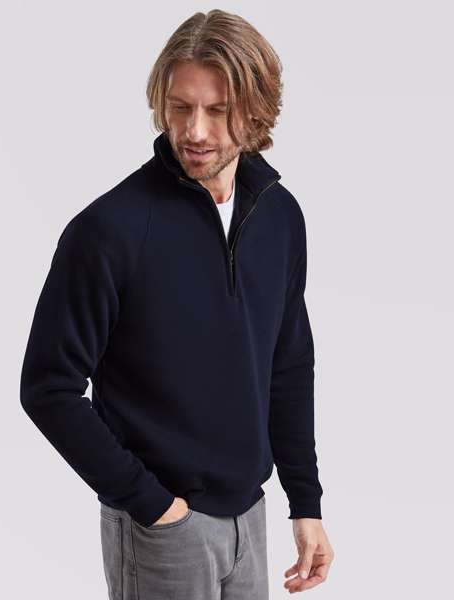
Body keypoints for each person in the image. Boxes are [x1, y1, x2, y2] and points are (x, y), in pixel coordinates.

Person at [20, 8, 334, 599]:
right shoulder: (109, 231)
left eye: (218, 110)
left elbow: (288, 364)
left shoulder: (279, 217)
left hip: (251, 517)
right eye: (180, 107)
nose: (194, 131)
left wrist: (305, 501)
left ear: (257, 110)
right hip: (163, 530)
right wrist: (153, 506)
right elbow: (48, 387)